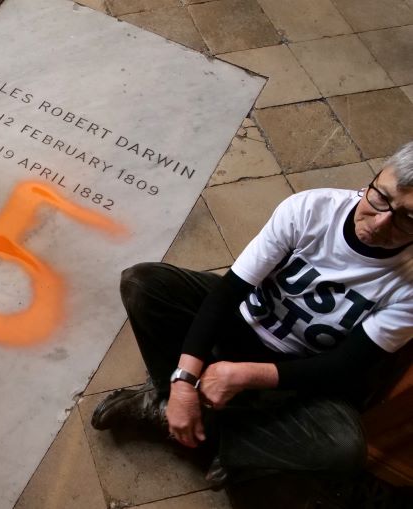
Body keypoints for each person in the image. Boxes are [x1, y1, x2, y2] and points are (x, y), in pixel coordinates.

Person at [92, 141, 413, 482]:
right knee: (144, 283)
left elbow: (345, 365)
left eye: (407, 219)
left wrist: (244, 374)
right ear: (373, 180)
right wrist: (183, 381)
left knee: (344, 448)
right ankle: (174, 403)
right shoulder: (311, 209)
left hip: (300, 370)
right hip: (244, 319)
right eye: (380, 198)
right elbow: (229, 292)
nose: (380, 223)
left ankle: (191, 425)